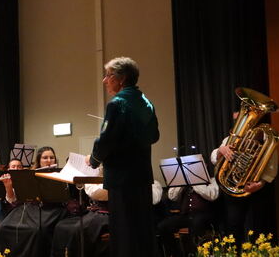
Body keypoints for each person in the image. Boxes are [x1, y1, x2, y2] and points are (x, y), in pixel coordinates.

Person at [87, 57, 160, 257]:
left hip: (121, 179)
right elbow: (154, 136)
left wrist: (93, 159)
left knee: (124, 233)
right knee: (142, 231)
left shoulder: (117, 104)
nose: (104, 80)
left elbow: (105, 141)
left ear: (122, 78)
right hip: (142, 178)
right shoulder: (146, 103)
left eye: (108, 76)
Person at [211, 111, 278, 244]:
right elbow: (214, 158)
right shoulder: (230, 139)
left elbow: (272, 169)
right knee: (233, 227)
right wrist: (220, 150)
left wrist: (260, 184)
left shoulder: (267, 141)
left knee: (259, 227)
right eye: (240, 120)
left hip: (257, 190)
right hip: (233, 190)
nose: (241, 123)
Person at [0, 146, 66, 257]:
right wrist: (8, 186)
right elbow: (16, 199)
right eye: (45, 158)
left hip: (52, 209)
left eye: (52, 158)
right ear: (39, 160)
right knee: (3, 227)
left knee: (37, 230)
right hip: (32, 208)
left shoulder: (60, 174)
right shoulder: (30, 174)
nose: (49, 161)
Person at [157, 177, 219, 256]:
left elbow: (212, 195)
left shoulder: (211, 177)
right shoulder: (183, 178)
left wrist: (194, 181)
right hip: (186, 215)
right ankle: (176, 254)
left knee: (196, 223)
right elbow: (172, 197)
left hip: (204, 214)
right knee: (163, 226)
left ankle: (196, 254)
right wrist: (180, 182)